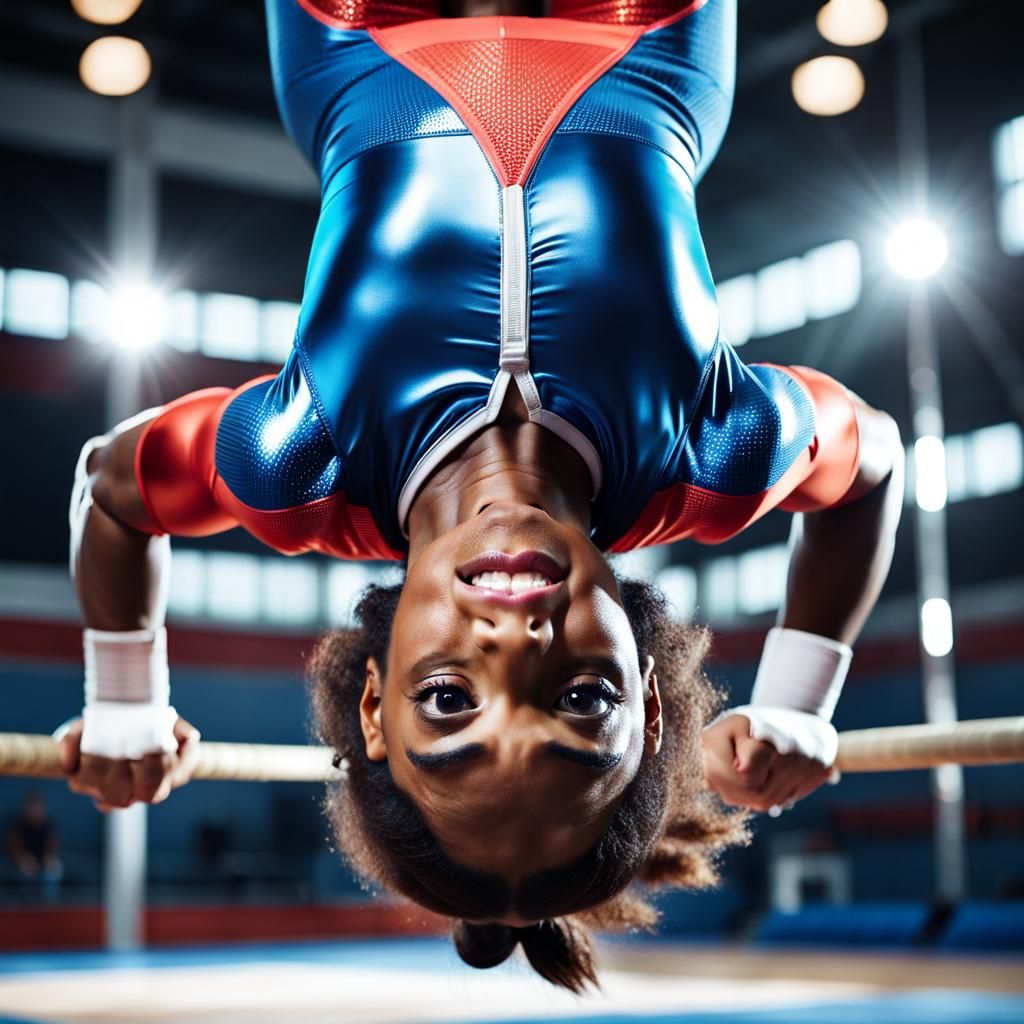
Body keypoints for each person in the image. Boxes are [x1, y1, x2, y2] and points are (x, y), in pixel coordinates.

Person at [60, 0, 904, 991]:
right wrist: (801, 698)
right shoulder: (710, 453)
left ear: (375, 703)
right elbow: (874, 462)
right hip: (648, 44)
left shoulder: (300, 467)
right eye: (581, 701)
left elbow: (112, 491)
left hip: (358, 46)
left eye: (450, 700)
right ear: (648, 698)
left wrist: (125, 698)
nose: (515, 643)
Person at [7, 790, 63, 901]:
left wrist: (50, 858)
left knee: (54, 871)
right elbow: (14, 848)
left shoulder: (48, 824)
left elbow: (53, 846)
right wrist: (22, 859)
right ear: (26, 809)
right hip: (24, 862)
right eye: (32, 808)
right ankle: (26, 903)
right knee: (26, 872)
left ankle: (49, 904)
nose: (35, 811)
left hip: (43, 860)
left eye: (38, 808)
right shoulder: (18, 824)